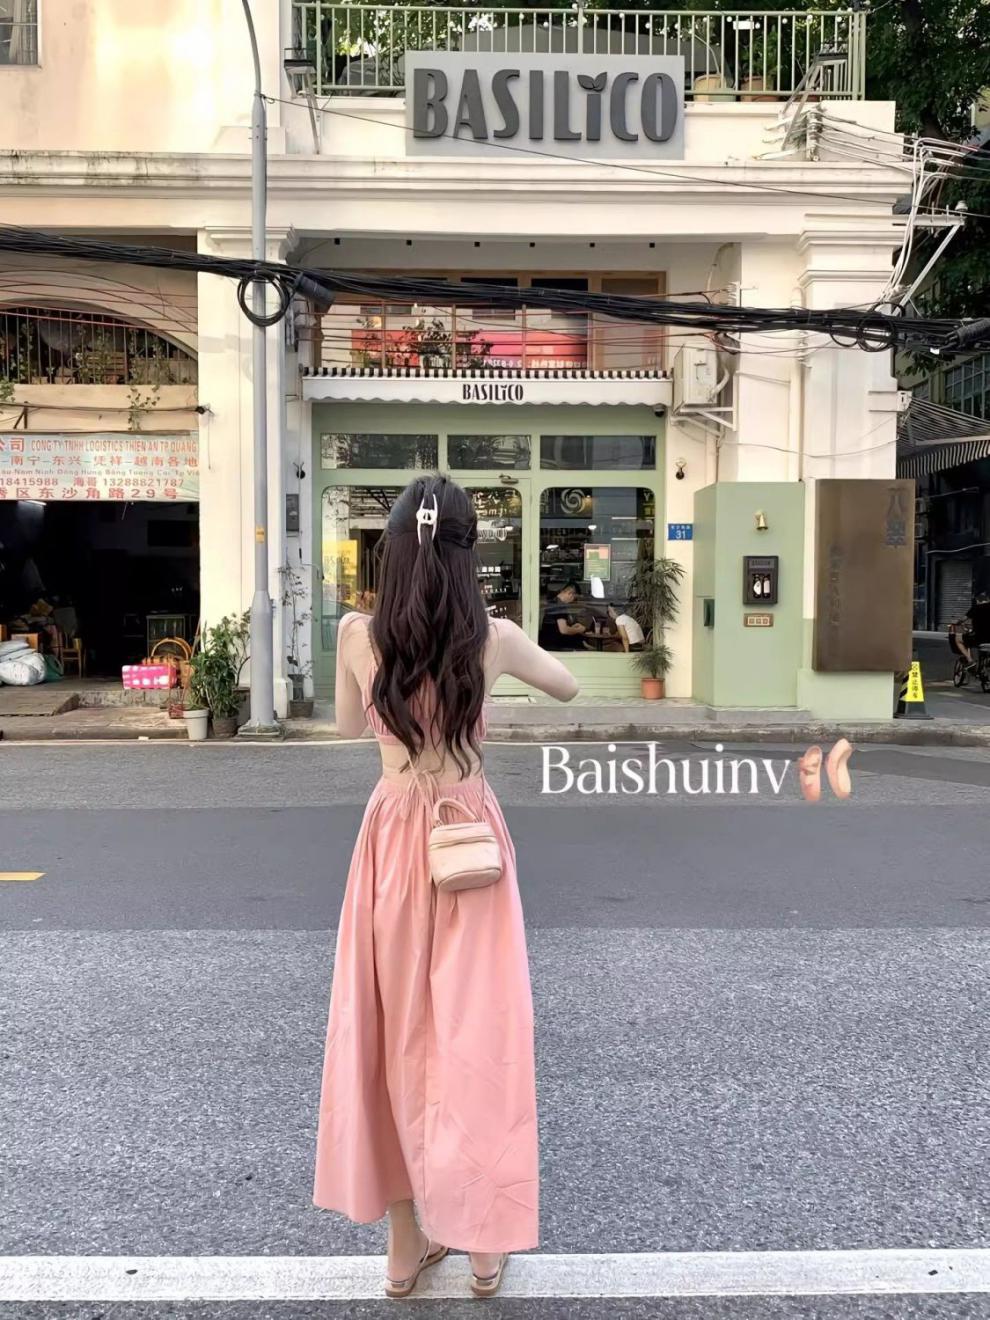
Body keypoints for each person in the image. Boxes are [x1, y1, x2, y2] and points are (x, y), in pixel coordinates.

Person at [313, 473, 579, 1300]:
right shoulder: (492, 638)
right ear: (469, 555)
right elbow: (567, 685)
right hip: (469, 842)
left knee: (392, 1038)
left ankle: (405, 1248)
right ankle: (484, 1246)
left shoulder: (358, 635)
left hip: (392, 843)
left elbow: (348, 726)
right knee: (479, 1038)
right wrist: (499, 653)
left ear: (391, 552)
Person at [537, 581, 588, 650]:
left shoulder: (553, 601)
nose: (572, 601)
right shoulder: (560, 605)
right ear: (570, 593)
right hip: (554, 644)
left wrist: (572, 628)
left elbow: (557, 627)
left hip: (548, 641)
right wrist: (579, 630)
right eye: (575, 598)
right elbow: (564, 630)